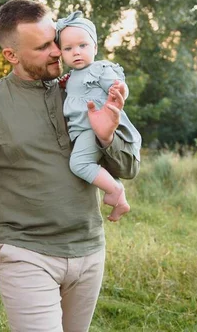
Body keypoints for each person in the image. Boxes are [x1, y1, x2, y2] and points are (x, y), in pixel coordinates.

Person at [0, 0, 141, 331]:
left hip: (89, 249)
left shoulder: (84, 90)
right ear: (11, 55)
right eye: (43, 47)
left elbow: (128, 168)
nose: (57, 51)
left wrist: (107, 136)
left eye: (55, 40)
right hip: (26, 254)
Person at [56, 11, 141, 222]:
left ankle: (115, 190)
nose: (76, 52)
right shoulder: (71, 76)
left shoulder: (100, 68)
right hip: (80, 131)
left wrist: (118, 92)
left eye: (82, 46)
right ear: (61, 53)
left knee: (79, 164)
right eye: (68, 48)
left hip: (92, 128)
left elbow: (121, 87)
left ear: (95, 47)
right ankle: (117, 194)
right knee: (87, 163)